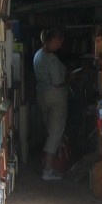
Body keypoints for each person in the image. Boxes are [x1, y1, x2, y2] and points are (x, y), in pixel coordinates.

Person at [33, 27, 69, 181]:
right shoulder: (52, 59)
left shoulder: (38, 55)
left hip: (41, 94)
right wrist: (69, 79)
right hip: (55, 97)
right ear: (53, 40)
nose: (60, 46)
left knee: (49, 129)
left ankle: (45, 164)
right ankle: (48, 169)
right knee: (55, 132)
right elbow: (58, 82)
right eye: (59, 42)